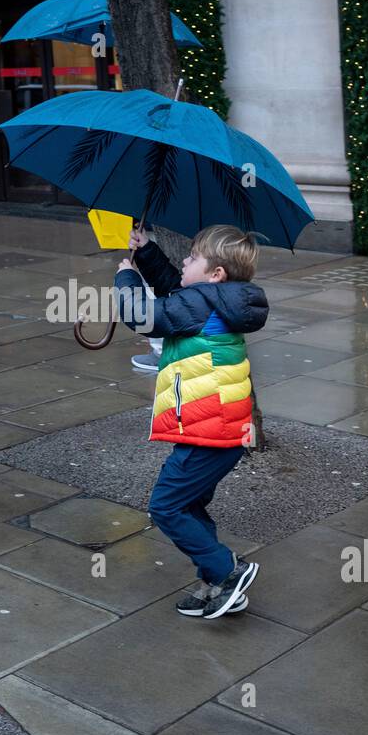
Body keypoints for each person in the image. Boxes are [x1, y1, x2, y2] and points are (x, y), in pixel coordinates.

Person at [115, 224, 269, 619]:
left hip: (208, 434)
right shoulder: (217, 300)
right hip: (220, 430)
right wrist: (146, 251)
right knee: (190, 508)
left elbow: (143, 317)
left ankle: (229, 573)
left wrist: (126, 276)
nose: (185, 260)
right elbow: (174, 288)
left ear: (216, 274)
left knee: (166, 507)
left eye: (193, 257)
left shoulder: (200, 304)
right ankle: (217, 585)